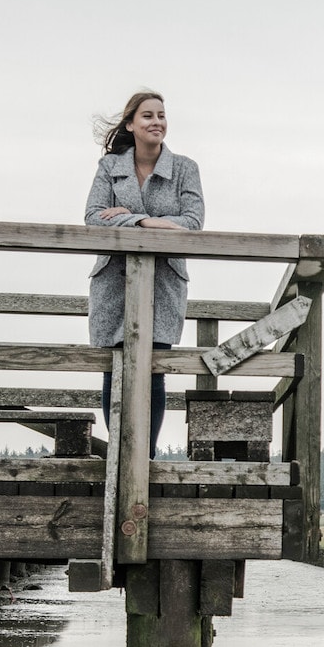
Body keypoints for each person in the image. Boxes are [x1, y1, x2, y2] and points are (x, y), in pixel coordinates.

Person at [84, 90, 202, 456]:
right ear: (131, 124)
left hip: (163, 282)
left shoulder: (185, 168)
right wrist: (149, 221)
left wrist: (128, 218)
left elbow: (193, 224)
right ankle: (120, 453)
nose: (157, 122)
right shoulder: (110, 168)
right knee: (113, 366)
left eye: (162, 115)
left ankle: (145, 458)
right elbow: (92, 218)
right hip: (114, 281)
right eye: (148, 116)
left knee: (154, 368)